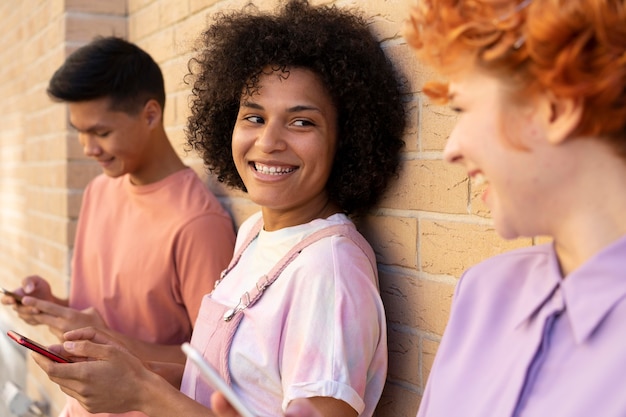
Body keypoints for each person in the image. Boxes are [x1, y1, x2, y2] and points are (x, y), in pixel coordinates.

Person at [211, 0, 626, 416]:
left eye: (465, 108)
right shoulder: (486, 293)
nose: (452, 149)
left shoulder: (331, 265)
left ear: (557, 109)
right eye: (254, 117)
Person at [31, 1, 406, 417]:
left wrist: (140, 393)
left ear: (347, 140)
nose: (269, 142)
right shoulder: (253, 234)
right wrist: (132, 371)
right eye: (254, 117)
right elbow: (223, 388)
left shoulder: (330, 272)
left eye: (302, 122)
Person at [1, 36, 236, 417]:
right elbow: (106, 312)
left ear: (150, 114)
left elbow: (211, 366)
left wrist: (107, 339)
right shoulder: (98, 191)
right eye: (79, 131)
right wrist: (54, 307)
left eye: (100, 132)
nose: (87, 147)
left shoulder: (198, 223)